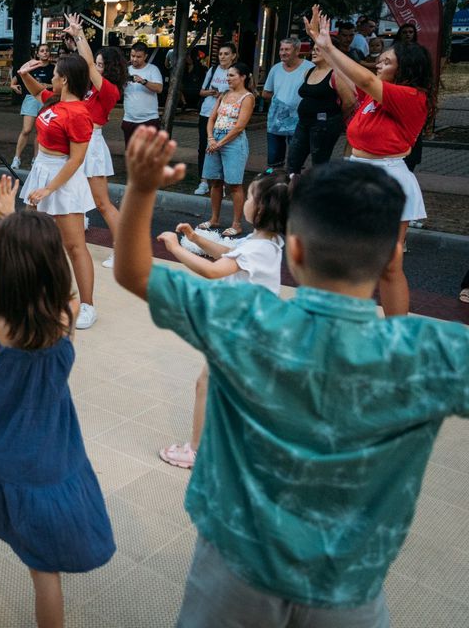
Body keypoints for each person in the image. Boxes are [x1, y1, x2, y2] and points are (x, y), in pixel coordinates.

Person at [113, 128, 469, 628]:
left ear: (294, 251)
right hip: (350, 585)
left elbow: (133, 273)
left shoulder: (245, 319)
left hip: (237, 567)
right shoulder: (430, 354)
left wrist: (141, 187)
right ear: (391, 255)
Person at [0, 202, 116, 628]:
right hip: (51, 456)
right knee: (43, 567)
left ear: (2, 268)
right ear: (55, 265)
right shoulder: (67, 316)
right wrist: (13, 220)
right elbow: (43, 271)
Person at [155, 173, 290, 470]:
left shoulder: (258, 247)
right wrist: (195, 239)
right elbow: (231, 253)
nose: (245, 201)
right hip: (255, 328)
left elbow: (215, 270)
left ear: (261, 209)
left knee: (207, 383)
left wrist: (176, 249)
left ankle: (198, 450)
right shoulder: (267, 242)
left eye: (251, 197)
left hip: (241, 331)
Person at [304, 4, 431, 316]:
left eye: (386, 62)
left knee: (389, 264)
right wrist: (325, 49)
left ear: (404, 69)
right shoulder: (374, 99)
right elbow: (354, 77)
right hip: (356, 175)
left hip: (387, 179)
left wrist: (330, 47)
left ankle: (395, 333)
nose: (378, 64)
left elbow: (363, 79)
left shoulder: (411, 97)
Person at [15, 52, 98, 330]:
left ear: (64, 79)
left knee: (74, 246)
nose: (50, 78)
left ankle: (87, 305)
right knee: (33, 239)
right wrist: (24, 73)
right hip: (42, 170)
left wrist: (49, 188)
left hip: (62, 180)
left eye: (54, 75)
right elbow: (37, 90)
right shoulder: (55, 100)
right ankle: (39, 294)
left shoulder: (78, 114)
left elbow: (76, 160)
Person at [68, 16, 124, 270]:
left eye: (101, 65)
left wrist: (80, 34)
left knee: (102, 202)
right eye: (97, 64)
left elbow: (87, 62)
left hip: (92, 144)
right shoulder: (91, 88)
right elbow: (84, 62)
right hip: (80, 142)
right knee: (73, 194)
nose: (96, 67)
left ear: (109, 67)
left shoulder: (109, 90)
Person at [199, 62, 256, 237]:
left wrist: (219, 143)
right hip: (215, 139)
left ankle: (236, 224)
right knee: (215, 181)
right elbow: (211, 118)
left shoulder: (247, 97)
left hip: (233, 142)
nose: (228, 78)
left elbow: (239, 127)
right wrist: (210, 138)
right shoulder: (223, 95)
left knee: (234, 184)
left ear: (243, 77)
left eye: (232, 75)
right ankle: (214, 218)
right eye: (228, 75)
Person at [286, 42, 348, 175]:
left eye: (318, 50)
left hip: (325, 124)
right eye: (313, 49)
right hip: (304, 122)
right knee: (293, 161)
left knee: (319, 163)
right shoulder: (309, 71)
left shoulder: (336, 74)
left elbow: (349, 102)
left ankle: (317, 192)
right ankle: (291, 191)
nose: (313, 52)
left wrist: (335, 118)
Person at [260, 37, 314, 173]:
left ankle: (293, 186)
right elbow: (266, 93)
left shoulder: (309, 68)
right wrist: (282, 101)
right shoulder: (276, 69)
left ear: (297, 51)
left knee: (296, 158)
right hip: (275, 121)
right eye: (281, 49)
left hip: (299, 121)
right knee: (274, 159)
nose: (283, 53)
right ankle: (274, 185)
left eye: (287, 50)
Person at [194, 43, 235, 194]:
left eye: (226, 54)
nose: (222, 57)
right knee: (204, 146)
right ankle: (204, 181)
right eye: (220, 54)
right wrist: (211, 92)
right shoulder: (212, 70)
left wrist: (224, 95)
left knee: (222, 148)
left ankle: (221, 183)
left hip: (225, 115)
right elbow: (201, 92)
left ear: (233, 56)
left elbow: (240, 93)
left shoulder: (235, 72)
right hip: (207, 113)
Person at [10, 43, 54, 169]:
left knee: (40, 131)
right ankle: (16, 158)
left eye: (47, 50)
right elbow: (17, 76)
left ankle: (36, 159)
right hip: (31, 98)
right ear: (38, 53)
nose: (45, 52)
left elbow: (58, 85)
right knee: (26, 130)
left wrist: (48, 86)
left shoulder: (53, 68)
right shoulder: (32, 66)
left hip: (46, 100)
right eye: (42, 50)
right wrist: (12, 85)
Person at [121, 41, 163, 144]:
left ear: (145, 56)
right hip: (129, 119)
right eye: (132, 55)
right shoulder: (126, 70)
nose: (134, 59)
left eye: (138, 57)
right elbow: (118, 92)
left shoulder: (152, 69)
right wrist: (122, 85)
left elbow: (159, 88)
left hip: (149, 120)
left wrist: (143, 81)